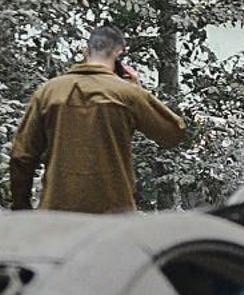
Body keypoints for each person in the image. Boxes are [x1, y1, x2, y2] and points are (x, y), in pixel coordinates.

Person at [10, 24, 186, 213]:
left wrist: (22, 208)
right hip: (113, 213)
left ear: (86, 51)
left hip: (57, 212)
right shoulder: (128, 94)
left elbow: (22, 156)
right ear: (119, 54)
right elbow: (174, 133)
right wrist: (138, 90)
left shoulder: (49, 91)